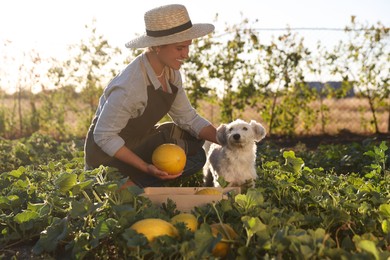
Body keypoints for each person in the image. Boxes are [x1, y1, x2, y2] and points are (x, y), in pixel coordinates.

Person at [84, 4, 218, 188]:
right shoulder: (130, 86)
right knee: (137, 202)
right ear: (156, 46)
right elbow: (104, 136)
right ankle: (119, 182)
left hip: (137, 142)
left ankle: (143, 183)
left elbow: (187, 117)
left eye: (188, 47)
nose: (186, 55)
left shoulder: (171, 73)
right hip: (107, 157)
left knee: (196, 154)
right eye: (180, 48)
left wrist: (227, 140)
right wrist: (146, 167)